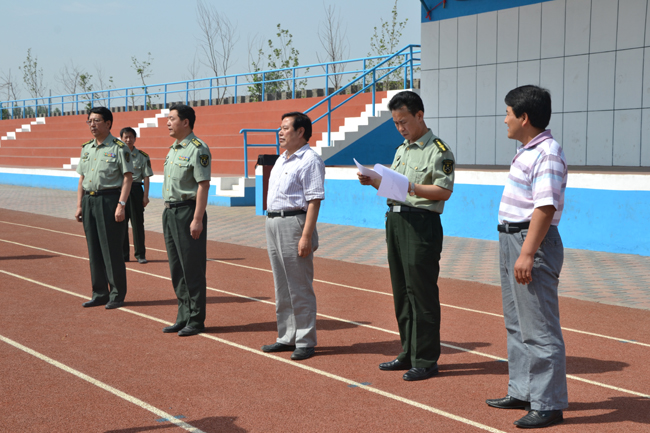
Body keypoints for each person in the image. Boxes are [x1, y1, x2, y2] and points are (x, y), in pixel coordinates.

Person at [486, 85, 568, 429]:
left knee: (540, 328)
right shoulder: (526, 150)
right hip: (512, 239)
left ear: (524, 117)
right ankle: (522, 390)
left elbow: (545, 207)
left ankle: (548, 403)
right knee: (517, 323)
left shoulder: (547, 152)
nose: (504, 119)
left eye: (508, 113)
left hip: (529, 242)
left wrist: (527, 253)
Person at [357, 91, 454, 381]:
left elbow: (444, 191)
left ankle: (425, 359)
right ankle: (408, 352)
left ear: (419, 116)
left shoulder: (438, 150)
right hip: (396, 220)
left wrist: (411, 186)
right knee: (401, 291)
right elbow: (394, 189)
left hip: (421, 224)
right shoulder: (402, 149)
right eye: (396, 123)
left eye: (404, 121)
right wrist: (374, 181)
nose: (400, 127)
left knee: (421, 292)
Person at [261, 112, 325, 361]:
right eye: (280, 127)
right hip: (273, 222)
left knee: (299, 285)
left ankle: (306, 340)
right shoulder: (281, 159)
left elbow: (314, 200)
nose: (280, 132)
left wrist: (306, 236)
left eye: (285, 128)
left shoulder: (310, 160)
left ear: (301, 132)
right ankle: (287, 336)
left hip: (294, 224)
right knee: (282, 284)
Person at [75, 107, 133, 310]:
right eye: (89, 121)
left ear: (108, 123)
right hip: (90, 201)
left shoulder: (119, 147)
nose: (92, 124)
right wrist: (80, 204)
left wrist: (121, 205)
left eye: (97, 120)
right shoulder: (87, 148)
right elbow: (82, 178)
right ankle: (99, 293)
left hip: (109, 200)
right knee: (94, 249)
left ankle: (116, 294)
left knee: (111, 250)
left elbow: (128, 178)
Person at [161, 104, 211, 337]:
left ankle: (196, 319)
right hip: (170, 212)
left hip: (188, 212)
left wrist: (197, 219)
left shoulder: (197, 149)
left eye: (172, 119)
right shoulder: (173, 149)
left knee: (192, 267)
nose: (168, 122)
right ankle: (183, 316)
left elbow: (203, 185)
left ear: (186, 122)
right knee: (177, 267)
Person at [120, 127, 153, 264]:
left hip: (135, 190)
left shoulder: (142, 156)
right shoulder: (117, 154)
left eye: (131, 137)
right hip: (120, 191)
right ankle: (123, 255)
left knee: (138, 224)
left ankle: (140, 254)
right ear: (121, 138)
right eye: (125, 137)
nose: (128, 140)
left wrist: (145, 196)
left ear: (135, 138)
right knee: (121, 224)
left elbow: (146, 177)